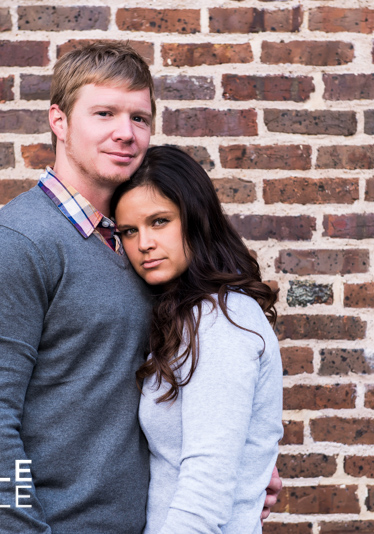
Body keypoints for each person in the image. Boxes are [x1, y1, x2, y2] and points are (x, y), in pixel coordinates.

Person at [0, 42, 280, 533]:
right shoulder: (12, 246)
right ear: (59, 121)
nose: (125, 133)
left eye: (139, 118)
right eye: (104, 113)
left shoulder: (143, 247)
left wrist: (242, 467)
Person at [111, 145, 283, 533]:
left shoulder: (221, 320)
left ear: (195, 217)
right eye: (129, 231)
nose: (143, 244)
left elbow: (207, 481)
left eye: (159, 221)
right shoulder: (187, 315)